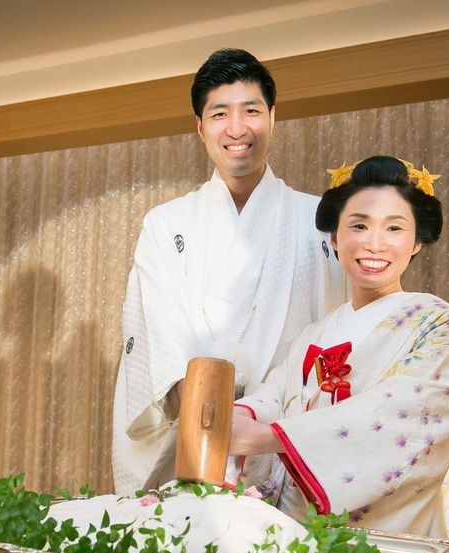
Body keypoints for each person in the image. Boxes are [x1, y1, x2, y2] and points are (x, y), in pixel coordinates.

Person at [112, 48, 345, 494]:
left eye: (251, 110)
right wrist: (208, 423)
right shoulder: (166, 224)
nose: (236, 128)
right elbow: (160, 332)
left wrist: (264, 420)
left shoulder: (318, 220)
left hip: (285, 437)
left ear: (272, 117)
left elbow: (337, 326)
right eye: (220, 114)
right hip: (195, 432)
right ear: (201, 127)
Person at [229, 155, 449, 543]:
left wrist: (269, 438)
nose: (374, 243)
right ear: (334, 237)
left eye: (394, 228)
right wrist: (241, 414)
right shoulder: (316, 333)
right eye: (359, 225)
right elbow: (275, 395)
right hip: (300, 532)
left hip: (387, 537)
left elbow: (407, 415)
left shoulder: (434, 322)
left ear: (416, 241)